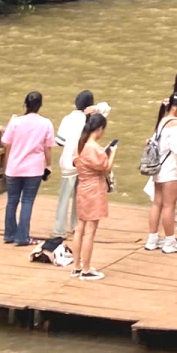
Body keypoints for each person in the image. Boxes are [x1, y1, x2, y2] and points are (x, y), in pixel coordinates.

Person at [1, 92, 56, 247]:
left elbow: (6, 142)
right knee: (27, 201)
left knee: (12, 201)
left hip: (14, 167)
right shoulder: (46, 123)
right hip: (34, 168)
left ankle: (9, 234)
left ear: (25, 104)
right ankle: (22, 237)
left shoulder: (16, 122)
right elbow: (47, 148)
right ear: (40, 105)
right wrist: (48, 165)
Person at [144, 91, 177, 255]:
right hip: (170, 169)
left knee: (157, 203)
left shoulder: (163, 121)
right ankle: (169, 241)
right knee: (169, 206)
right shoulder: (176, 126)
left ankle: (152, 239)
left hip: (158, 168)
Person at [71, 110, 114, 281]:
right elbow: (105, 168)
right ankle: (86, 269)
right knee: (90, 231)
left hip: (82, 186)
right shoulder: (95, 148)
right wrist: (113, 153)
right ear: (99, 129)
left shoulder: (80, 145)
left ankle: (76, 266)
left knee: (79, 227)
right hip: (95, 189)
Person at [54, 89, 97, 237]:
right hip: (85, 163)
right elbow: (107, 108)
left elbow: (60, 141)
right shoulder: (92, 118)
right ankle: (75, 225)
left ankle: (59, 229)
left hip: (68, 163)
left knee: (64, 198)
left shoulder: (68, 119)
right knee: (80, 197)